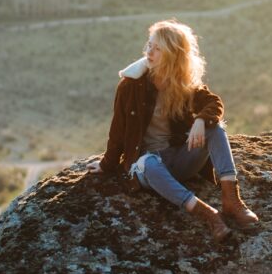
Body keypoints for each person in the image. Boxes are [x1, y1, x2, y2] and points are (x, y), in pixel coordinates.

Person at [86, 19, 258, 242]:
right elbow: (117, 130)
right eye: (149, 45)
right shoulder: (131, 85)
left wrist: (201, 121)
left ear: (173, 54)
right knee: (149, 162)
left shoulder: (183, 82)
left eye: (158, 48)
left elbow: (214, 104)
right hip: (149, 168)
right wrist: (106, 164)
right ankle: (209, 214)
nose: (150, 52)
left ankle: (231, 200)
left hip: (179, 159)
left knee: (216, 130)